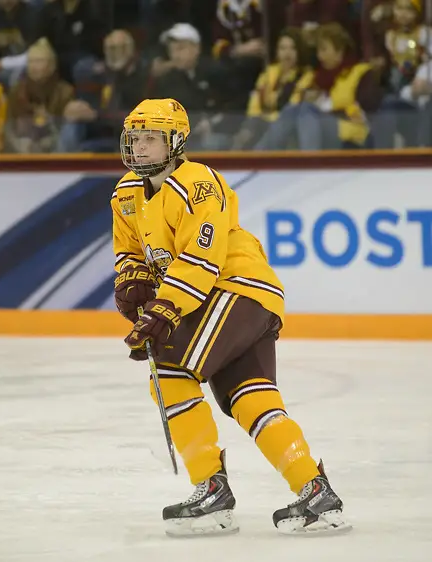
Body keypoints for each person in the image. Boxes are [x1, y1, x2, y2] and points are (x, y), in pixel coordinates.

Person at [111, 98, 351, 537]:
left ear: (176, 141)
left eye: (151, 138)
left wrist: (164, 308)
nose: (141, 147)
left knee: (167, 368)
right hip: (230, 299)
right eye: (136, 138)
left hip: (236, 288)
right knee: (250, 397)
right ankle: (317, 494)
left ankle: (210, 490)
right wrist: (132, 281)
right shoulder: (126, 193)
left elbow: (202, 259)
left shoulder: (198, 182)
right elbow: (129, 250)